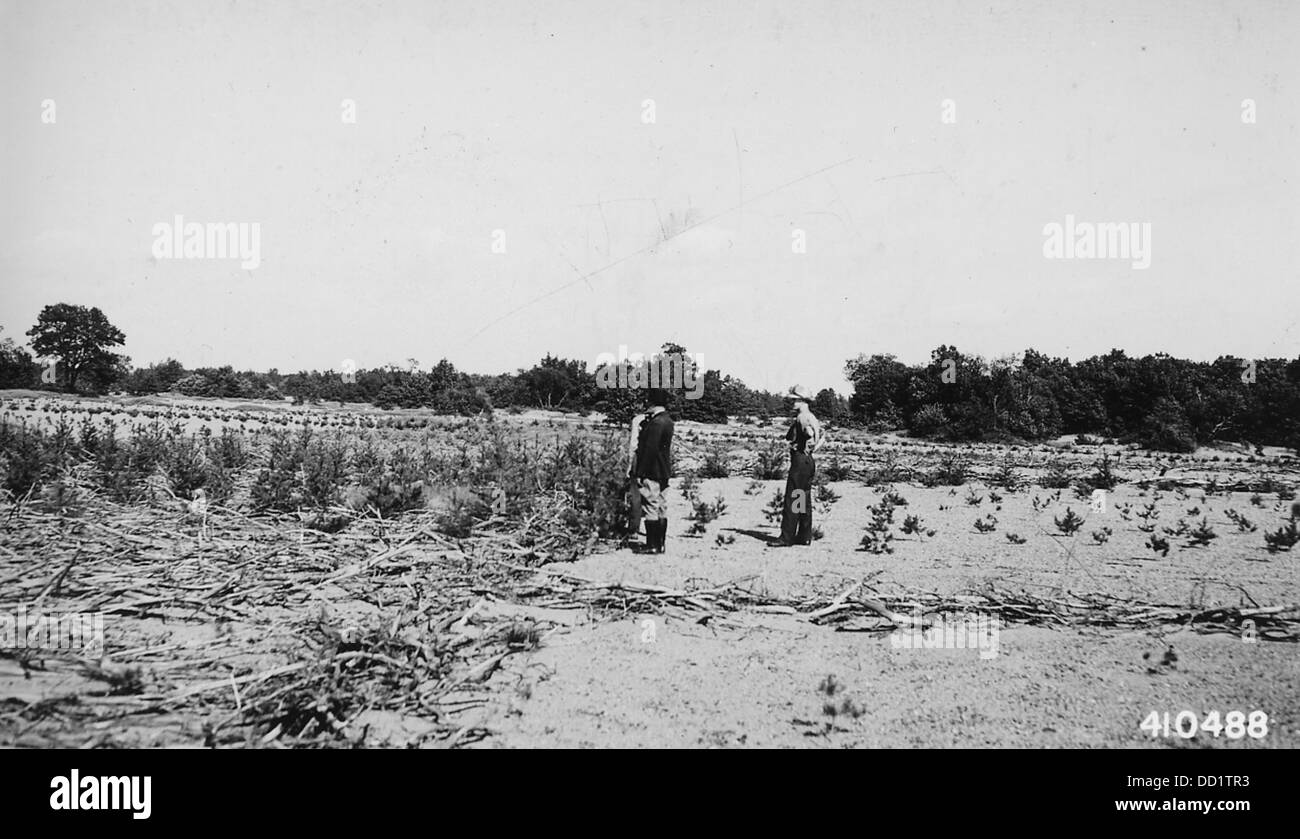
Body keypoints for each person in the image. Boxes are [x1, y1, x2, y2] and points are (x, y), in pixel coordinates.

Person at [773, 384, 823, 547]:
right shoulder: (812, 416)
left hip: (800, 460)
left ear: (802, 401)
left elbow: (808, 432)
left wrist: (806, 435)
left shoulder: (802, 418)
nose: (792, 403)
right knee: (802, 497)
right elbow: (820, 436)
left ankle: (786, 537)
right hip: (808, 461)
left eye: (795, 400)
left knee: (793, 497)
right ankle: (804, 535)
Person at [632, 388, 674, 553]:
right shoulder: (668, 420)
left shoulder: (656, 423)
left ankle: (652, 545)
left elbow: (649, 449)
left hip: (652, 470)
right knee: (662, 506)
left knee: (650, 506)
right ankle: (661, 544)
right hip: (663, 470)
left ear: (652, 403)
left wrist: (640, 472)